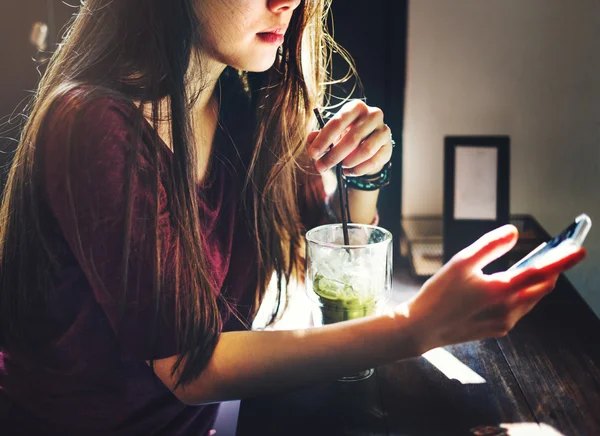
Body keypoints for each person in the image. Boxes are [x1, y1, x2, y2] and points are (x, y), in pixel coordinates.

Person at [0, 1, 586, 434]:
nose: (288, 2)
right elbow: (189, 367)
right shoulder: (95, 122)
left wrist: (364, 175)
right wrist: (415, 327)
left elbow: (323, 256)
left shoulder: (250, 102)